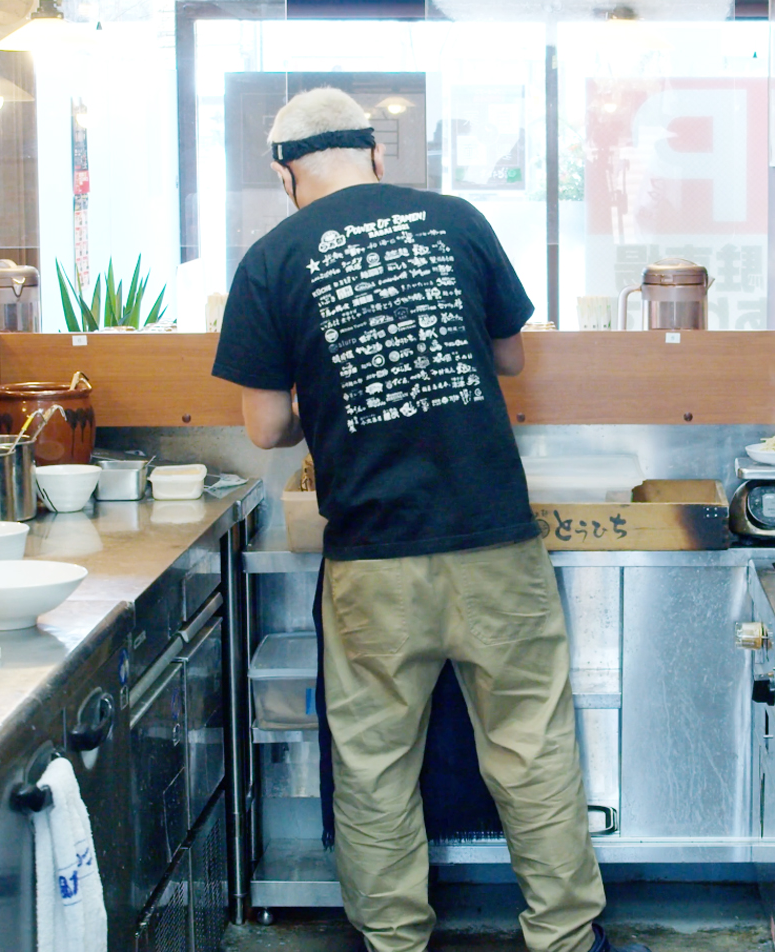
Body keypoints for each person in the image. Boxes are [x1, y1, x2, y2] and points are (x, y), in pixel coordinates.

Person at [211, 86, 651, 952]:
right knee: (532, 746)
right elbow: (510, 354)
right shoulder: (456, 219)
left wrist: (329, 396)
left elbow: (266, 427)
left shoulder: (271, 259)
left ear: (284, 173)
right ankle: (565, 936)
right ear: (376, 154)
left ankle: (393, 942)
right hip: (493, 538)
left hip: (372, 557)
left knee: (375, 768)